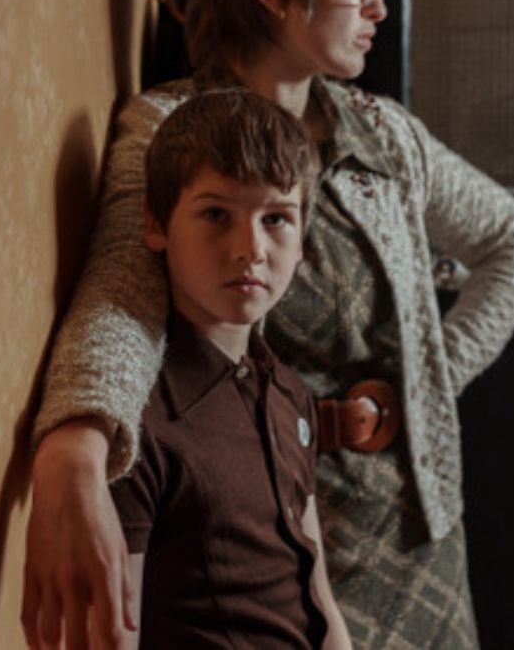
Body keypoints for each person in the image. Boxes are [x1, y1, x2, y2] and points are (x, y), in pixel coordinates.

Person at [22, 0, 514, 650]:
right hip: (280, 538)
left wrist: (426, 381)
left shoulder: (384, 132)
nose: (378, 3)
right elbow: (118, 298)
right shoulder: (170, 129)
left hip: (418, 528)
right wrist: (76, 439)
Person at [108, 88, 350, 648]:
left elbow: (320, 598)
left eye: (276, 219)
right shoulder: (137, 432)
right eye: (217, 214)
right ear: (156, 224)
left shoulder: (290, 394)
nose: (250, 249)